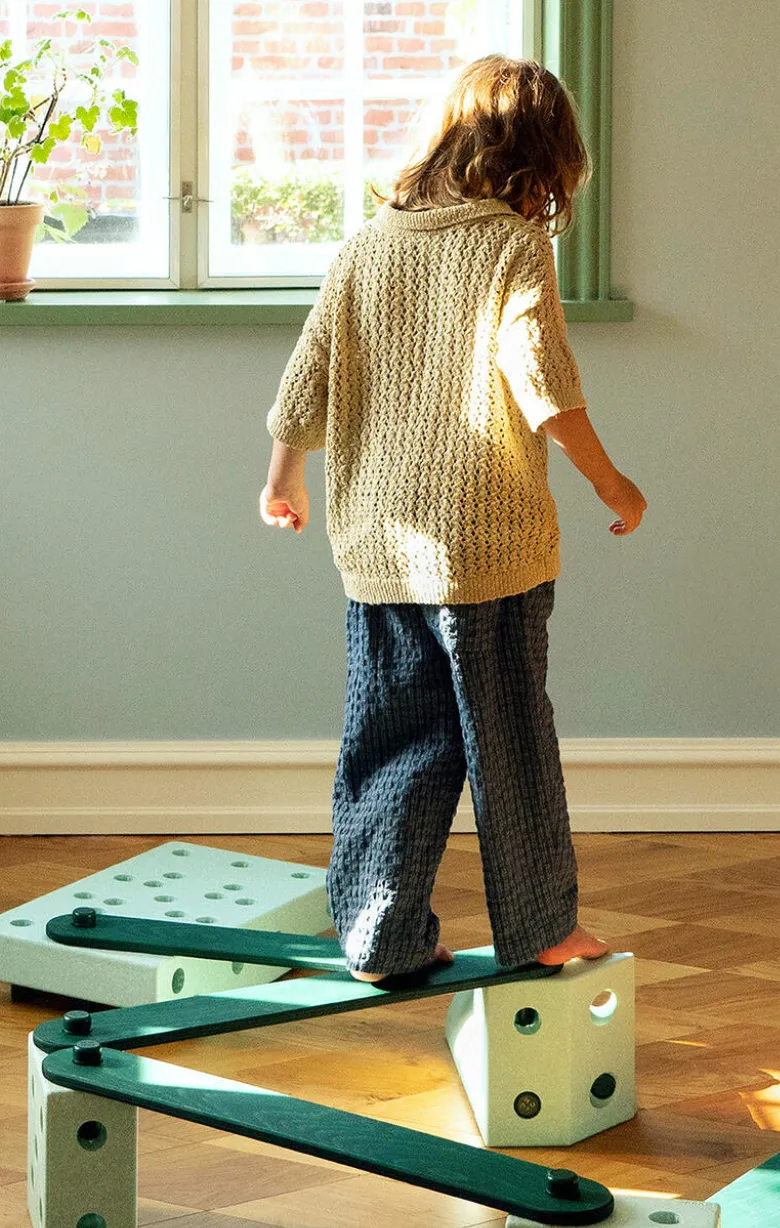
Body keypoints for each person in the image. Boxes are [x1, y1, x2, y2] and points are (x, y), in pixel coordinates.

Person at [259, 55, 646, 984]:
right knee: (509, 744)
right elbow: (542, 381)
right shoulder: (512, 246)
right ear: (543, 160)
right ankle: (543, 926)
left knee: (393, 741)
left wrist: (282, 480)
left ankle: (378, 934)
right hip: (488, 548)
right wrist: (612, 484)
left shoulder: (368, 244)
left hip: (379, 545)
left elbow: (308, 374)